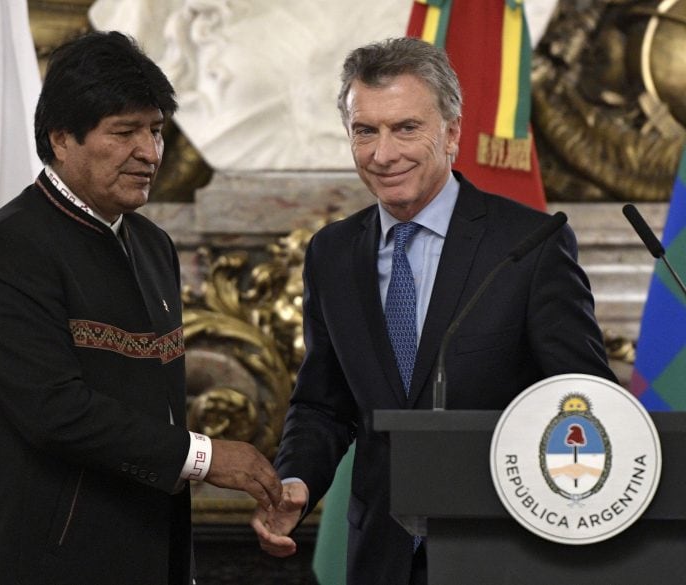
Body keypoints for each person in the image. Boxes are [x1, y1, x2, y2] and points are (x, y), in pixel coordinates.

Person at [251, 37, 617, 585]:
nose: (383, 153)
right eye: (365, 131)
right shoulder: (332, 252)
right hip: (380, 557)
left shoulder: (528, 245)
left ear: (451, 133)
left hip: (502, 550)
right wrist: (298, 480)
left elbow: (583, 401)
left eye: (405, 128)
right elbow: (323, 404)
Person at [0, 31, 281, 585]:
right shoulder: (11, 248)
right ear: (61, 138)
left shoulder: (154, 246)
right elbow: (56, 412)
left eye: (155, 130)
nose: (150, 153)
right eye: (124, 132)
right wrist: (205, 457)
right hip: (42, 566)